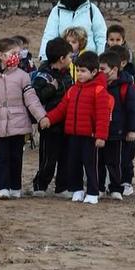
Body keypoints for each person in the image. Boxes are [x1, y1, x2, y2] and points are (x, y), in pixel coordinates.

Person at [0, 38, 46, 199]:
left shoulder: (23, 76)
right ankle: (2, 188)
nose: (17, 56)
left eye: (18, 53)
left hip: (18, 126)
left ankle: (15, 187)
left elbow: (31, 99)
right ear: (2, 56)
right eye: (13, 53)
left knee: (16, 158)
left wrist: (41, 116)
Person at [44, 49, 113, 205]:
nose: (80, 74)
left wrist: (101, 136)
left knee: (90, 165)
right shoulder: (73, 89)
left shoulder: (99, 90)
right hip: (73, 134)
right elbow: (62, 109)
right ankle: (77, 189)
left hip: (90, 136)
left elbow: (103, 115)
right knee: (73, 163)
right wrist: (49, 118)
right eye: (78, 71)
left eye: (83, 71)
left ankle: (93, 192)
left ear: (94, 72)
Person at [30, 37, 73, 195]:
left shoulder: (67, 74)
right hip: (49, 125)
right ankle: (40, 185)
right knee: (48, 159)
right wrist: (51, 88)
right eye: (69, 57)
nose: (71, 60)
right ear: (62, 59)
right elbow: (35, 97)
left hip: (67, 124)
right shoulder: (44, 76)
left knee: (65, 159)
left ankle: (62, 187)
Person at [102, 45, 135, 198]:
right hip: (103, 132)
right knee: (102, 161)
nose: (101, 73)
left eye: (103, 69)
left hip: (120, 133)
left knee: (119, 161)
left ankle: (118, 186)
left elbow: (134, 110)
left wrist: (133, 129)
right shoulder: (100, 86)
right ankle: (101, 187)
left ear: (114, 69)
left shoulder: (127, 87)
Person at [39, 0, 108, 60]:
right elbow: (49, 35)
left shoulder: (92, 10)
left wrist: (102, 58)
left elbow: (101, 36)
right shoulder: (57, 11)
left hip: (88, 60)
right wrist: (44, 58)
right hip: (64, 59)